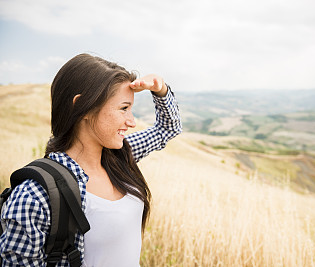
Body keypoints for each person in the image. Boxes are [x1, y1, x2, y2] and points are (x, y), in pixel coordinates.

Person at [0, 53, 182, 266]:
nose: (132, 121)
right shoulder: (34, 196)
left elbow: (168, 128)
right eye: (123, 108)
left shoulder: (120, 156)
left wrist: (161, 90)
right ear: (82, 107)